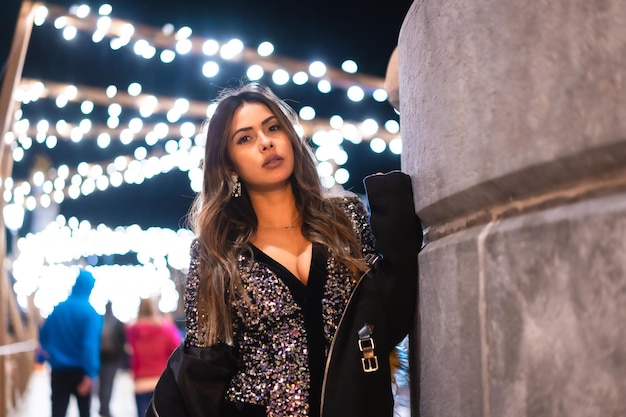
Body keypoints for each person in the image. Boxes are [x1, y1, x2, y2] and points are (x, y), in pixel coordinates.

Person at [147, 82, 422, 417]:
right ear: (230, 164)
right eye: (245, 138)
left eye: (273, 127)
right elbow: (203, 367)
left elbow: (386, 317)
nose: (266, 142)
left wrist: (393, 208)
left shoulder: (344, 220)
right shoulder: (216, 251)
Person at [39, 269, 103, 417]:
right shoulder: (90, 313)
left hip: (58, 371)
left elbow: (43, 336)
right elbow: (90, 345)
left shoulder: (57, 309)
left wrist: (52, 355)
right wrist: (90, 373)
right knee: (84, 412)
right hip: (81, 372)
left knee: (58, 411)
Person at [126, 297, 181, 417]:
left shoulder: (131, 330)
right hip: (162, 381)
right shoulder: (166, 328)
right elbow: (178, 350)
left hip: (140, 383)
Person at [98, 301, 127, 417]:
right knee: (108, 384)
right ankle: (105, 408)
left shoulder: (100, 320)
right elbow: (122, 341)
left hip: (100, 357)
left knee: (102, 384)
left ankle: (103, 407)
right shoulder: (117, 322)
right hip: (112, 358)